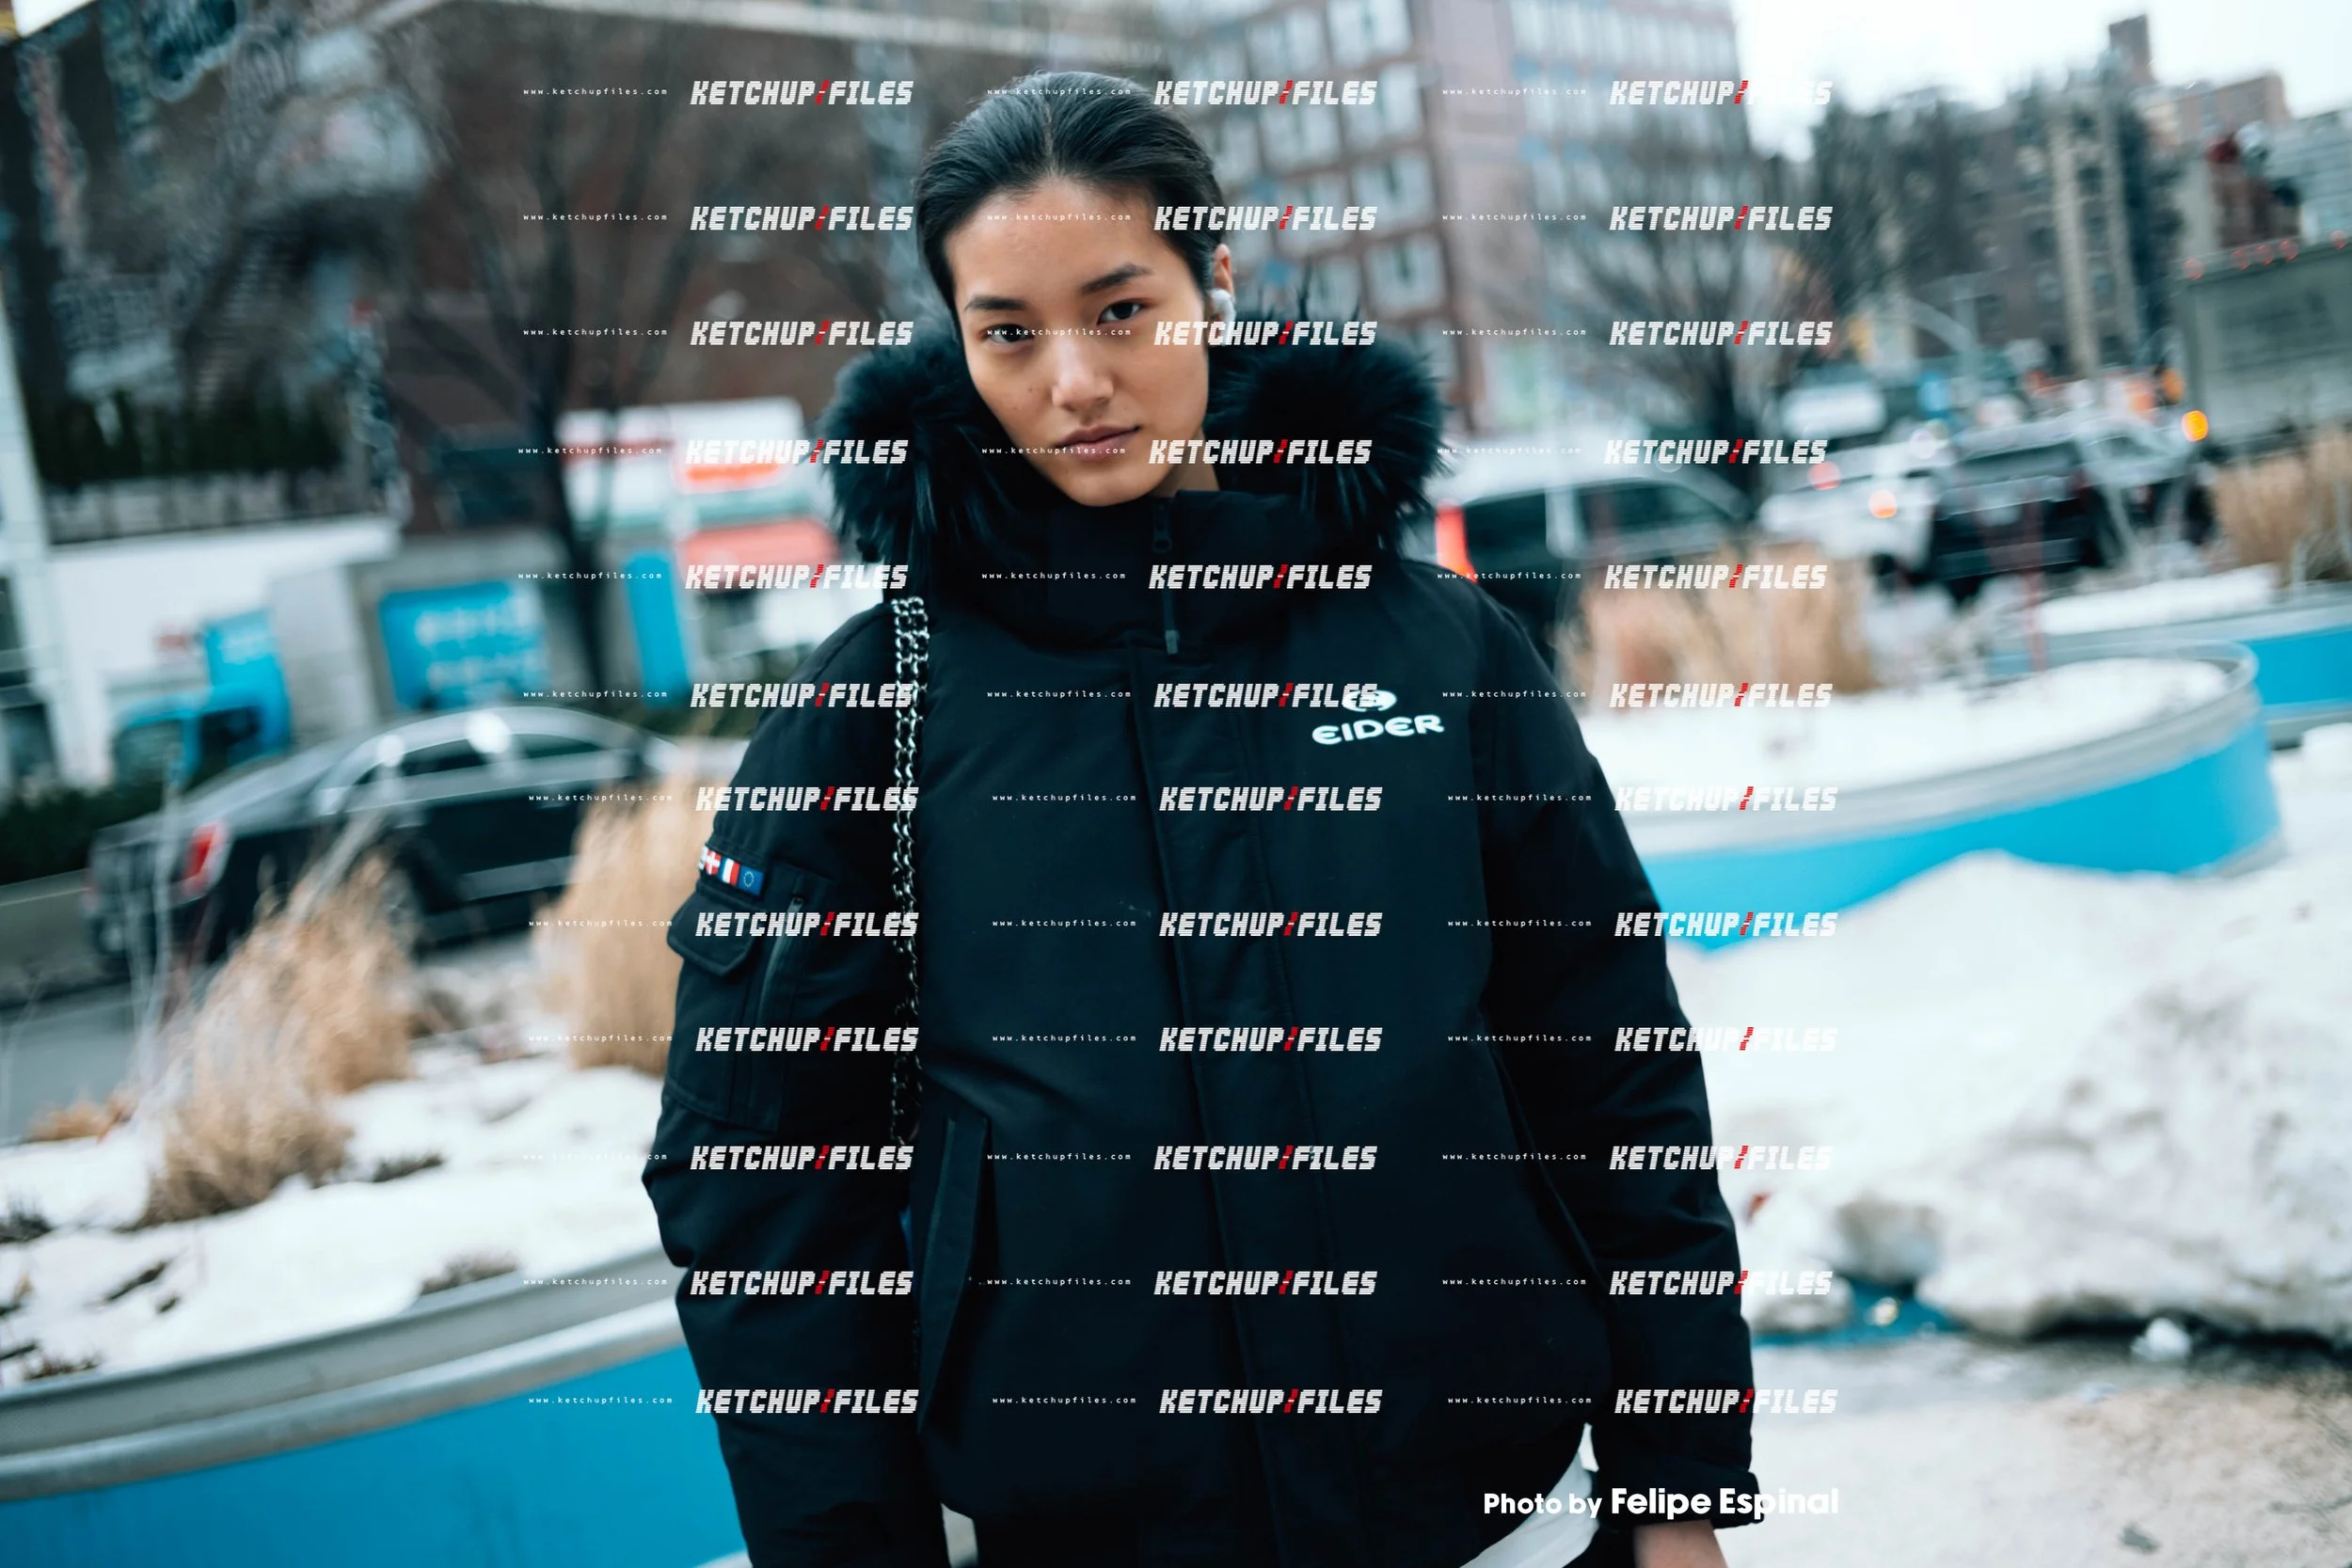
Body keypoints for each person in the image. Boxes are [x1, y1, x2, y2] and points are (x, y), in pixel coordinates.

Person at [644, 70, 1757, 1568]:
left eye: (1120, 310)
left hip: (1489, 1522)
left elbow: (1614, 1071)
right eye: (1010, 334)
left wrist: (1678, 1490)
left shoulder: (1439, 650)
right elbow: (758, 1185)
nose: (1074, 384)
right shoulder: (877, 712)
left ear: (1213, 279)